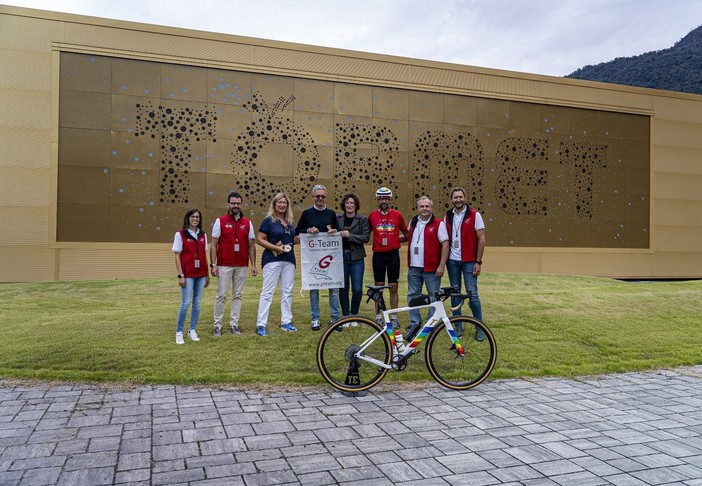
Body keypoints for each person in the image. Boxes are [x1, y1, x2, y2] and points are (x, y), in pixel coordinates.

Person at [210, 191, 258, 336]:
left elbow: (251, 246)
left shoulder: (247, 223)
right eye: (233, 203)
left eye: (238, 203)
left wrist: (253, 264)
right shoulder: (220, 221)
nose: (235, 206)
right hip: (224, 264)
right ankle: (217, 325)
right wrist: (213, 264)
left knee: (237, 295)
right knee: (222, 295)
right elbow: (213, 244)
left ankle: (234, 324)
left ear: (241, 205)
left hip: (242, 265)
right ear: (228, 204)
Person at [296, 184, 341, 331]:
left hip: (330, 257)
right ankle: (315, 319)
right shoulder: (307, 213)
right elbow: (297, 232)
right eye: (317, 196)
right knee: (314, 288)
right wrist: (308, 230)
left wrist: (334, 231)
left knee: (333, 288)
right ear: (313, 197)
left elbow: (338, 232)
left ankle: (335, 319)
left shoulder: (332, 214)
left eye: (322, 196)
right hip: (313, 257)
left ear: (325, 196)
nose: (320, 198)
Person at [444, 186, 486, 340]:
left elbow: (481, 239)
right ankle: (458, 326)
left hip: (469, 261)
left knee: (472, 294)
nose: (458, 200)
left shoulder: (475, 215)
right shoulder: (447, 216)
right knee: (455, 293)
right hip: (452, 261)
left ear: (465, 198)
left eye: (460, 197)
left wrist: (478, 261)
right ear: (451, 199)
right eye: (455, 197)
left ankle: (480, 328)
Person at [405, 196, 449, 339]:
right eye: (422, 206)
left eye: (427, 206)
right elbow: (406, 237)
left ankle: (431, 324)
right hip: (414, 267)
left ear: (432, 208)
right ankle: (415, 322)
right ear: (418, 208)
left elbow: (445, 244)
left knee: (433, 297)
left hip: (431, 268)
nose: (424, 209)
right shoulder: (413, 222)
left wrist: (441, 265)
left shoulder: (438, 223)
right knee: (413, 295)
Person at [255, 192, 298, 336]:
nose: (282, 205)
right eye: (279, 202)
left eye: (284, 203)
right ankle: (261, 325)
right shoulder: (269, 220)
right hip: (272, 260)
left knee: (287, 292)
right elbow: (260, 239)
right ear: (274, 204)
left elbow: (292, 238)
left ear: (288, 205)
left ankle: (286, 322)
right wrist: (276, 248)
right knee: (267, 293)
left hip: (289, 261)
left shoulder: (290, 222)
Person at [367, 187, 409, 329]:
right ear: (377, 200)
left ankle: (394, 317)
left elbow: (407, 234)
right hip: (378, 255)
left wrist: (396, 241)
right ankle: (378, 317)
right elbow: (366, 234)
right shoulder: (372, 216)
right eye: (381, 198)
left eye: (386, 198)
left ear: (390, 199)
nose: (383, 201)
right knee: (378, 288)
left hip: (393, 255)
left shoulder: (397, 215)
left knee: (393, 287)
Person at [172, 208, 210, 344]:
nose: (195, 219)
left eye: (197, 217)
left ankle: (192, 330)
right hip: (187, 274)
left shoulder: (203, 235)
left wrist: (206, 274)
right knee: (185, 303)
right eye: (192, 217)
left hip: (200, 274)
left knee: (197, 304)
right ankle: (179, 332)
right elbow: (177, 256)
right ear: (188, 218)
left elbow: (205, 255)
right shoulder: (180, 234)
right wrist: (180, 275)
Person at [337, 193, 370, 323]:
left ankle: (354, 315)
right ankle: (346, 317)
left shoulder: (362, 219)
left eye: (352, 203)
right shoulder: (337, 218)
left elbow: (365, 237)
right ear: (344, 205)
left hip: (357, 258)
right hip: (340, 257)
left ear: (356, 205)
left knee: (357, 289)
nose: (349, 205)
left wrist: (350, 235)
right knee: (343, 288)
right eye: (347, 203)